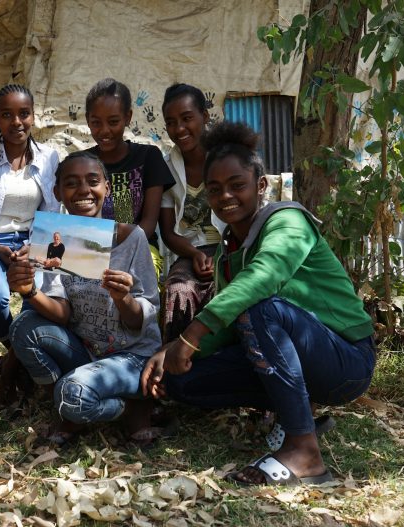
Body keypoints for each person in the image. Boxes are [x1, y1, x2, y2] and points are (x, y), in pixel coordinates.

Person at [141, 122, 376, 486]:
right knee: (184, 381)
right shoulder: (227, 253)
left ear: (260, 185)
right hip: (297, 356)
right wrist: (172, 352)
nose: (226, 197)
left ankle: (305, 452)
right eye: (216, 190)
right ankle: (298, 413)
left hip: (346, 361)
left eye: (237, 185)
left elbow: (265, 277)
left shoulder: (287, 220)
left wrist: (192, 333)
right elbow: (227, 326)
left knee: (260, 308)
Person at [7, 151, 162, 445]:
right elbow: (62, 313)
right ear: (57, 192)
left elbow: (141, 318)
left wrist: (123, 299)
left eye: (92, 181)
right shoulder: (54, 241)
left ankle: (125, 404)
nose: (83, 191)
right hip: (85, 350)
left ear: (107, 187)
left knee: (74, 398)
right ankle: (73, 395)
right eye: (71, 183)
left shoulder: (132, 238)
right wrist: (29, 290)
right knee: (22, 328)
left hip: (130, 356)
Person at [0, 83, 60, 404]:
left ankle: (10, 369)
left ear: (34, 117)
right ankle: (17, 352)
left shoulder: (50, 157)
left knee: (43, 301)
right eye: (7, 115)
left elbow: (51, 212)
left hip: (36, 241)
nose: (16, 122)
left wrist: (34, 248)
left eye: (23, 114)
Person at [85, 78, 175, 278]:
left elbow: (149, 222)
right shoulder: (82, 163)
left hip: (140, 247)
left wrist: (119, 254)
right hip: (92, 248)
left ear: (128, 117)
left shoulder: (148, 157)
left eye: (114, 122)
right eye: (96, 123)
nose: (105, 130)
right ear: (87, 120)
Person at [158, 83, 226, 342]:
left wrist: (220, 254)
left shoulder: (228, 158)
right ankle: (175, 365)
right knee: (179, 289)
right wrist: (196, 254)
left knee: (228, 291)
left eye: (187, 118)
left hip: (232, 248)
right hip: (190, 252)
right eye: (171, 122)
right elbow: (167, 231)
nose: (179, 129)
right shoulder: (166, 168)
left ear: (205, 116)